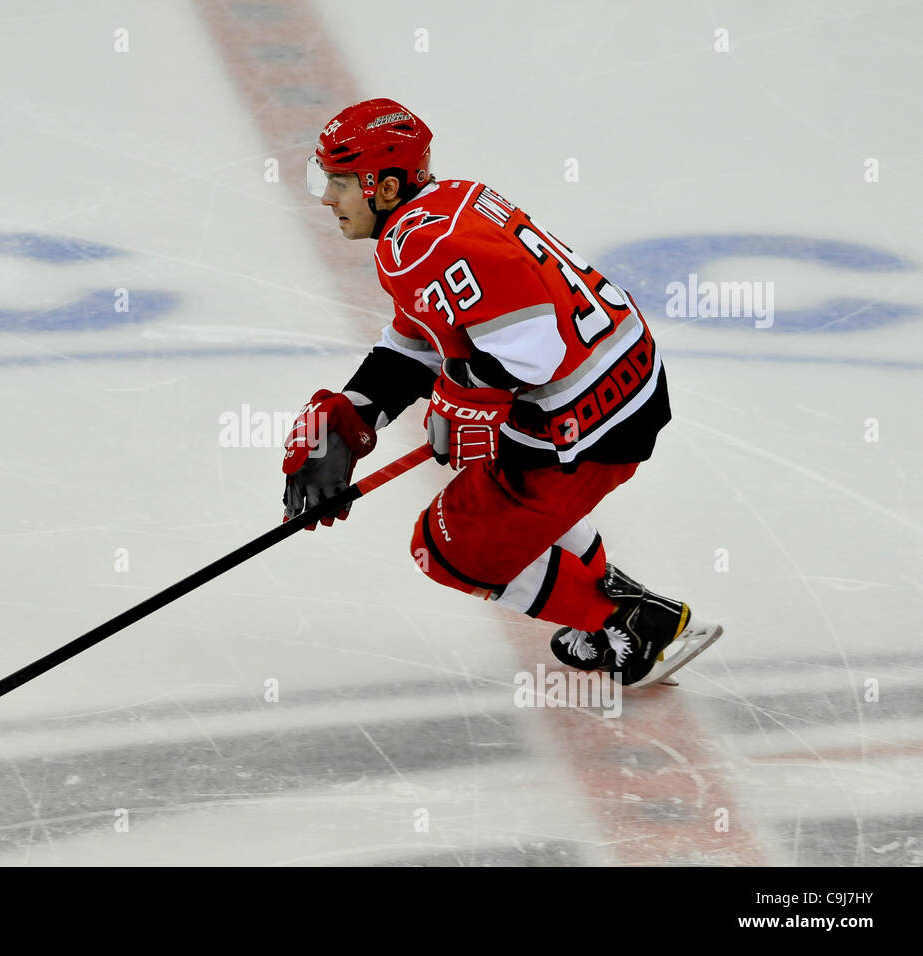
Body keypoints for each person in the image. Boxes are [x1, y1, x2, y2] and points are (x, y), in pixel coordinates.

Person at [280, 98, 721, 687]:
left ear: (384, 186)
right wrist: (353, 420)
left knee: (445, 549)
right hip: (624, 383)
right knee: (502, 495)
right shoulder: (447, 205)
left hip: (588, 422)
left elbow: (535, 348)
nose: (326, 198)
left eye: (337, 182)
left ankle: (633, 626)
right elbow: (430, 337)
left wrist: (463, 398)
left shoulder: (420, 245)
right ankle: (620, 600)